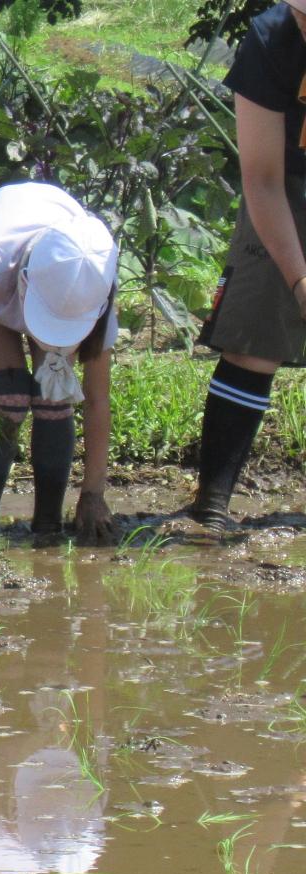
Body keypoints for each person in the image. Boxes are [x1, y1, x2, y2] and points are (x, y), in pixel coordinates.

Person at [191, 0, 306, 533]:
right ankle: (211, 508)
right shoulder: (270, 41)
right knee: (253, 338)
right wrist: (300, 280)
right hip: (289, 188)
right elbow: (262, 179)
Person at [0, 183, 118, 549]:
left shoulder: (95, 281)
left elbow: (96, 400)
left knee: (53, 399)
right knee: (7, 402)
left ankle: (48, 531)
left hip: (59, 267)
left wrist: (93, 492)